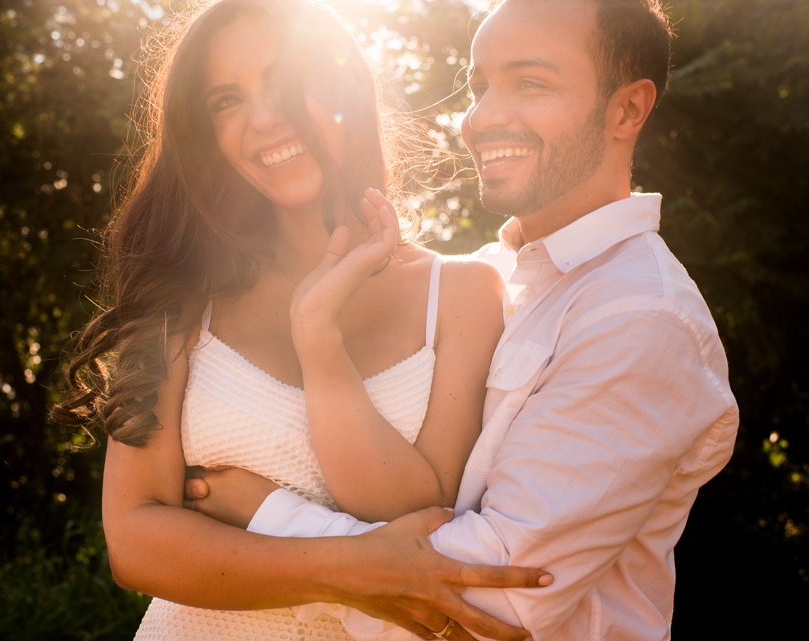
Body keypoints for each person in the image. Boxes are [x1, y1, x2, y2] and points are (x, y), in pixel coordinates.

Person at [182, 0, 740, 639]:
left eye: (529, 83)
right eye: (480, 87)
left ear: (627, 110)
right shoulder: (490, 276)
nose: (482, 117)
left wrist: (267, 520)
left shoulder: (640, 317)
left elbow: (495, 598)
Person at [52, 1, 550, 640]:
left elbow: (419, 518)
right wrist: (344, 568)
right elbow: (135, 544)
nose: (264, 118)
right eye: (226, 101)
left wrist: (317, 336)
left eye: (285, 80)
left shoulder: (462, 293)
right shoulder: (179, 295)